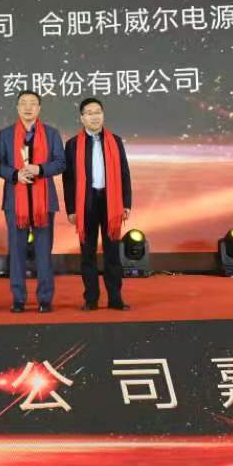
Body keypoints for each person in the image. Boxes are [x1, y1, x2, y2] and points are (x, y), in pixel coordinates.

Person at [0, 91, 65, 313]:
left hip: (44, 201)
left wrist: (40, 169)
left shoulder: (52, 133)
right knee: (16, 252)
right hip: (15, 202)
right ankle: (18, 299)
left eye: (33, 103)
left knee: (44, 252)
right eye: (23, 103)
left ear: (39, 108)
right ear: (17, 108)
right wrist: (15, 174)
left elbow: (61, 163)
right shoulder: (5, 134)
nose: (28, 107)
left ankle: (45, 299)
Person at [62, 97, 134, 312]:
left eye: (98, 112)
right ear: (82, 118)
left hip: (111, 202)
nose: (94, 116)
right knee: (88, 253)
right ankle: (91, 299)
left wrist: (126, 203)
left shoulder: (115, 141)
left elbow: (124, 173)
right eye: (89, 113)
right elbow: (68, 180)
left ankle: (115, 298)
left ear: (103, 115)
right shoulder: (73, 144)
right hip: (86, 202)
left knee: (112, 252)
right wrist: (71, 209)